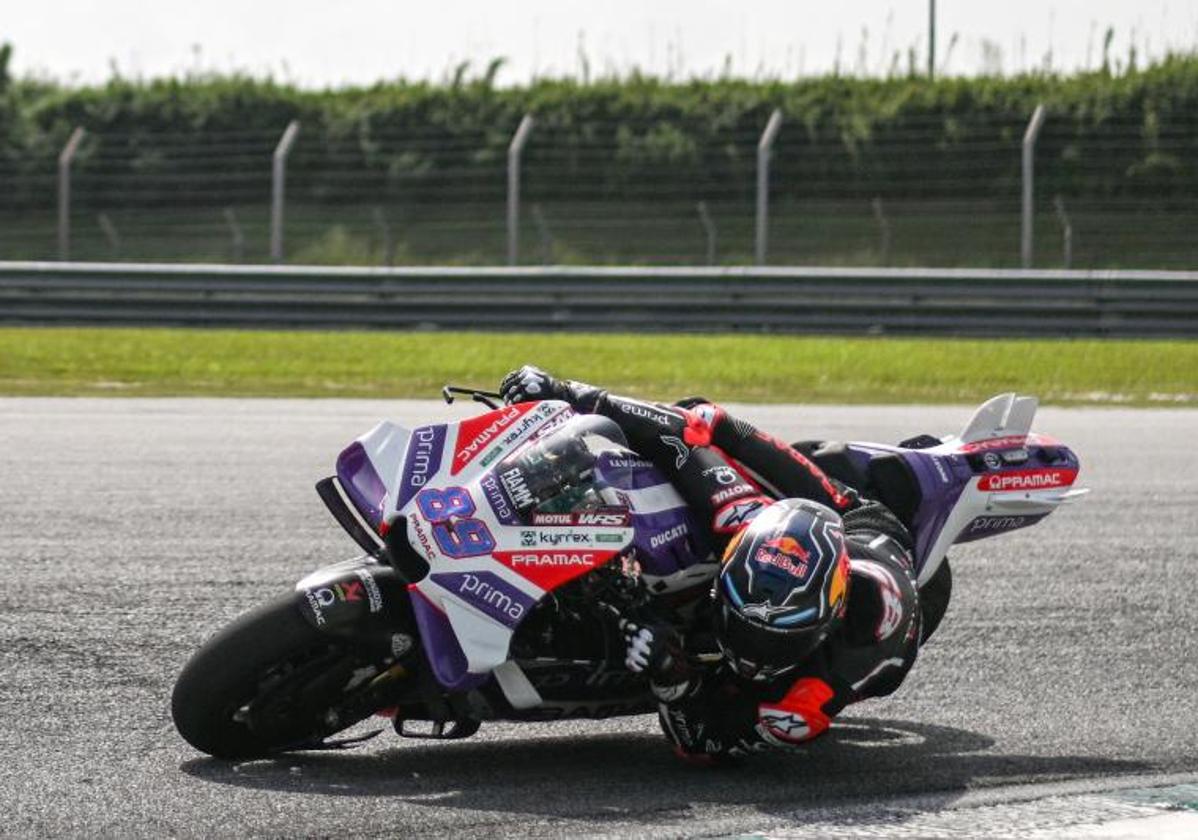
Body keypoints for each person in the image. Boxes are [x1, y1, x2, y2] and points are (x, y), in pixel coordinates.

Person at [499, 365, 925, 762]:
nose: (749, 649)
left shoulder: (810, 697)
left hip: (869, 539)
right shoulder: (739, 517)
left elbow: (703, 742)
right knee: (703, 417)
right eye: (739, 622)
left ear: (826, 623)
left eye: (773, 640)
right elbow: (677, 435)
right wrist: (563, 391)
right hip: (834, 527)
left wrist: (673, 678)